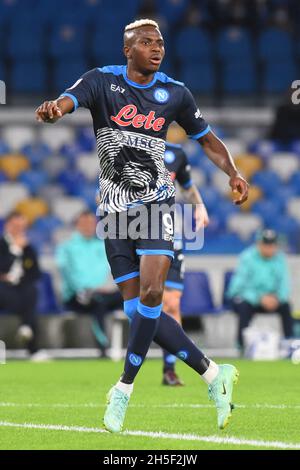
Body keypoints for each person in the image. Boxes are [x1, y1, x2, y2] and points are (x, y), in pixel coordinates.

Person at [35, 18, 249, 433]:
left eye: (160, 42)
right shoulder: (102, 82)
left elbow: (206, 139)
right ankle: (213, 374)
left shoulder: (176, 93)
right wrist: (53, 111)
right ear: (127, 49)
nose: (156, 48)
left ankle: (123, 389)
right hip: (114, 213)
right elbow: (67, 100)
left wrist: (233, 172)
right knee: (138, 312)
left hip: (156, 206)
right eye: (146, 42)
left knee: (153, 293)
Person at [161, 141, 209, 386]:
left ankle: (169, 369)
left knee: (171, 304)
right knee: (141, 307)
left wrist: (199, 208)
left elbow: (187, 187)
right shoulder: (131, 146)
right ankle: (130, 369)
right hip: (137, 234)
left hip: (172, 239)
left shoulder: (176, 154)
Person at [55, 210, 123, 356]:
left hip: (104, 293)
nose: (88, 226)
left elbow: (114, 270)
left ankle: (141, 344)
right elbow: (65, 273)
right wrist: (87, 289)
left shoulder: (103, 245)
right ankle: (103, 348)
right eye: (84, 223)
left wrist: (108, 287)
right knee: (97, 302)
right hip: (77, 296)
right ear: (77, 225)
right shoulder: (67, 247)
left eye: (91, 223)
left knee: (134, 298)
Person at [227, 229, 293, 350]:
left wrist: (277, 298)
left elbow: (284, 284)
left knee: (286, 306)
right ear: (259, 244)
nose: (269, 248)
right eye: (266, 244)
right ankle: (242, 345)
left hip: (272, 299)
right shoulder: (247, 257)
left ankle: (289, 344)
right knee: (243, 306)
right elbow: (238, 287)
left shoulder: (280, 258)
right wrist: (259, 298)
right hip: (250, 299)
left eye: (272, 245)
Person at [0, 211, 41, 356]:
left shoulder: (29, 248)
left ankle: (26, 330)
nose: (19, 230)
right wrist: (15, 250)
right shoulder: (2, 245)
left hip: (21, 289)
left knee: (32, 290)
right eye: (15, 227)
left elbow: (35, 273)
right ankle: (27, 330)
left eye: (21, 227)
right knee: (28, 303)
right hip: (3, 290)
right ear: (7, 226)